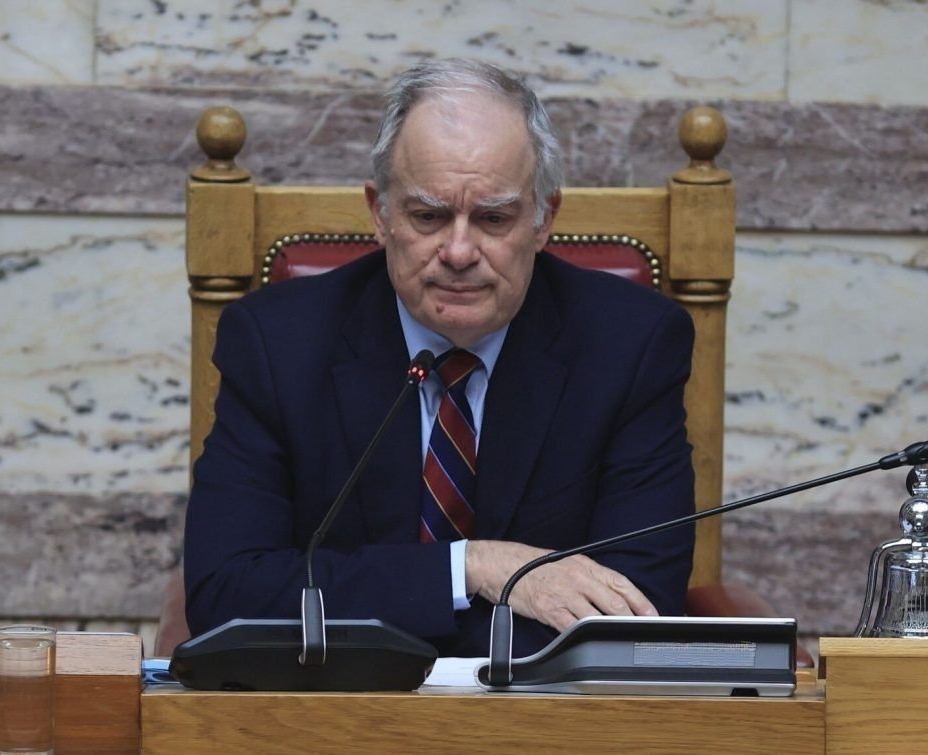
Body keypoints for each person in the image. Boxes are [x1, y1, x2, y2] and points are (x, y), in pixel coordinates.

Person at [184, 58, 695, 657]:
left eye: (493, 218)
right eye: (428, 216)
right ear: (380, 214)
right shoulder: (277, 344)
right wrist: (472, 568)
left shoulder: (631, 345)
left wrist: (382, 613)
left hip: (544, 711)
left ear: (543, 220)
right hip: (333, 705)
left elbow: (634, 606)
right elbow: (227, 594)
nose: (458, 251)